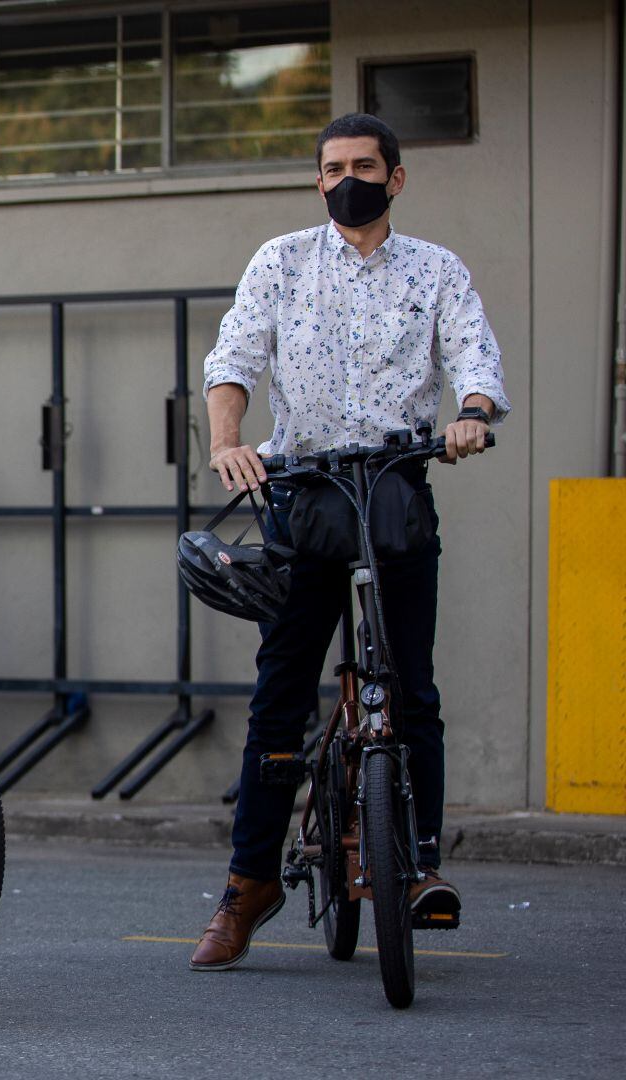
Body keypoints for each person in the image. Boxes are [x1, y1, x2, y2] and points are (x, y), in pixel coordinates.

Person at [191, 114, 509, 971]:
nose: (347, 179)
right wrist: (228, 439)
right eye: (332, 168)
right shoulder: (283, 261)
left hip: (398, 485)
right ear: (318, 180)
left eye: (364, 166)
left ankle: (422, 869)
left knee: (413, 691)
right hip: (303, 491)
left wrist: (472, 417)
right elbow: (234, 360)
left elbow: (476, 360)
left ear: (395, 178)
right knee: (280, 696)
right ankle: (249, 883)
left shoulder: (437, 270)